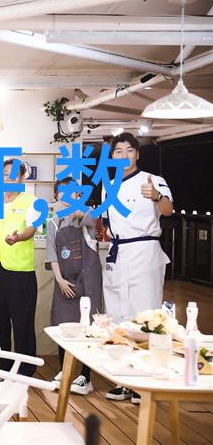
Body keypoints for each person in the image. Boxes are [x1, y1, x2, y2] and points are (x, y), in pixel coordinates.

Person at [102, 132, 173, 404]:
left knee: (146, 315)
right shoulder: (108, 186)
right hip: (117, 253)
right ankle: (124, 380)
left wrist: (156, 196)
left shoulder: (153, 180)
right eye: (118, 151)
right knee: (118, 315)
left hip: (144, 252)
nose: (123, 156)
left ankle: (146, 382)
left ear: (137, 154)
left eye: (128, 150)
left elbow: (167, 209)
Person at [0, 160, 40, 377]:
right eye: (5, 174)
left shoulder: (32, 201)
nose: (8, 178)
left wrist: (18, 238)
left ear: (22, 178)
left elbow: (31, 229)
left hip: (20, 272)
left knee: (22, 322)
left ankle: (25, 369)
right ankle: (1, 367)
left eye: (14, 174)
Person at [46, 177, 103, 395]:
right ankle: (65, 371)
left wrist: (79, 213)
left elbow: (91, 221)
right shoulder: (53, 221)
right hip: (65, 281)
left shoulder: (88, 213)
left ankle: (86, 377)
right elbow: (52, 254)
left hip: (88, 282)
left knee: (88, 328)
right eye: (62, 191)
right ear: (56, 196)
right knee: (63, 326)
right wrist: (59, 280)